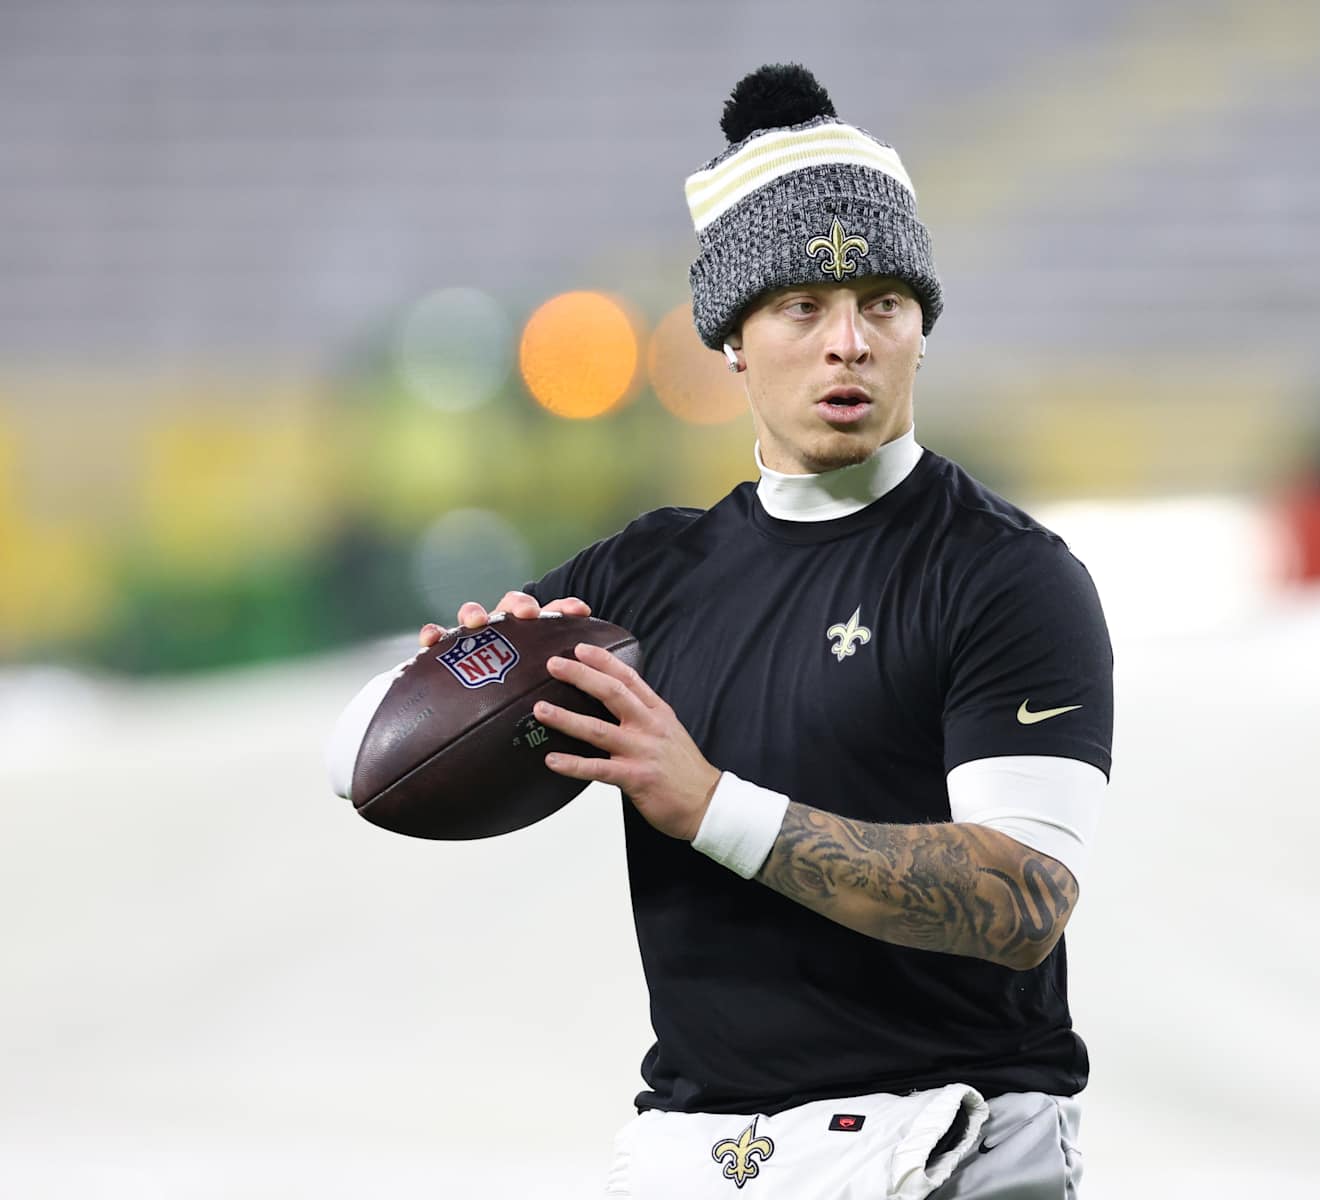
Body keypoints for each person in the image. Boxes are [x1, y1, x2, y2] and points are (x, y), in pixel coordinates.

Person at [329, 64, 1112, 1200]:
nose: (849, 342)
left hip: (952, 1136)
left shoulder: (1007, 573)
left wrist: (707, 804)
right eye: (804, 306)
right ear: (732, 336)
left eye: (883, 304)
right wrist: (476, 672)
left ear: (922, 331)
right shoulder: (639, 577)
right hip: (708, 1149)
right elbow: (361, 754)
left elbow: (1024, 900)